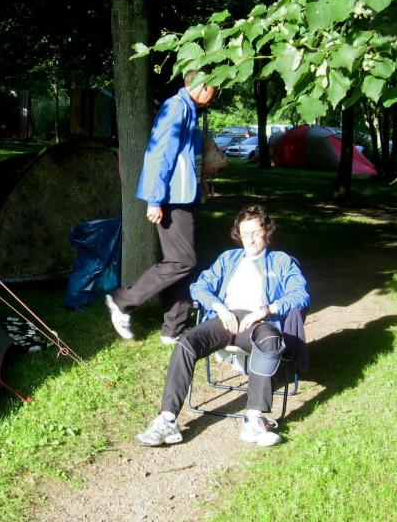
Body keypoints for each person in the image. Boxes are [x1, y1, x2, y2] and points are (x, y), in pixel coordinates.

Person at [135, 204, 310, 448]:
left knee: (269, 340)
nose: (250, 239)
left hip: (259, 323)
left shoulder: (281, 261)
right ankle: (167, 420)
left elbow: (300, 295)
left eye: (255, 233)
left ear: (267, 232)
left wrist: (265, 310)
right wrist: (220, 308)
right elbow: (199, 286)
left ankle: (253, 420)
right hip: (225, 319)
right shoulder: (229, 258)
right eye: (245, 233)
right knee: (186, 342)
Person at [105, 70, 216, 344]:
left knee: (184, 263)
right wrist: (154, 200)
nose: (217, 92)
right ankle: (122, 301)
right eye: (215, 87)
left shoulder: (190, 109)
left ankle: (173, 329)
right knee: (182, 261)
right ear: (202, 86)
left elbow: (185, 158)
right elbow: (159, 154)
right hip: (170, 200)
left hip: (183, 197)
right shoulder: (176, 108)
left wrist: (200, 183)